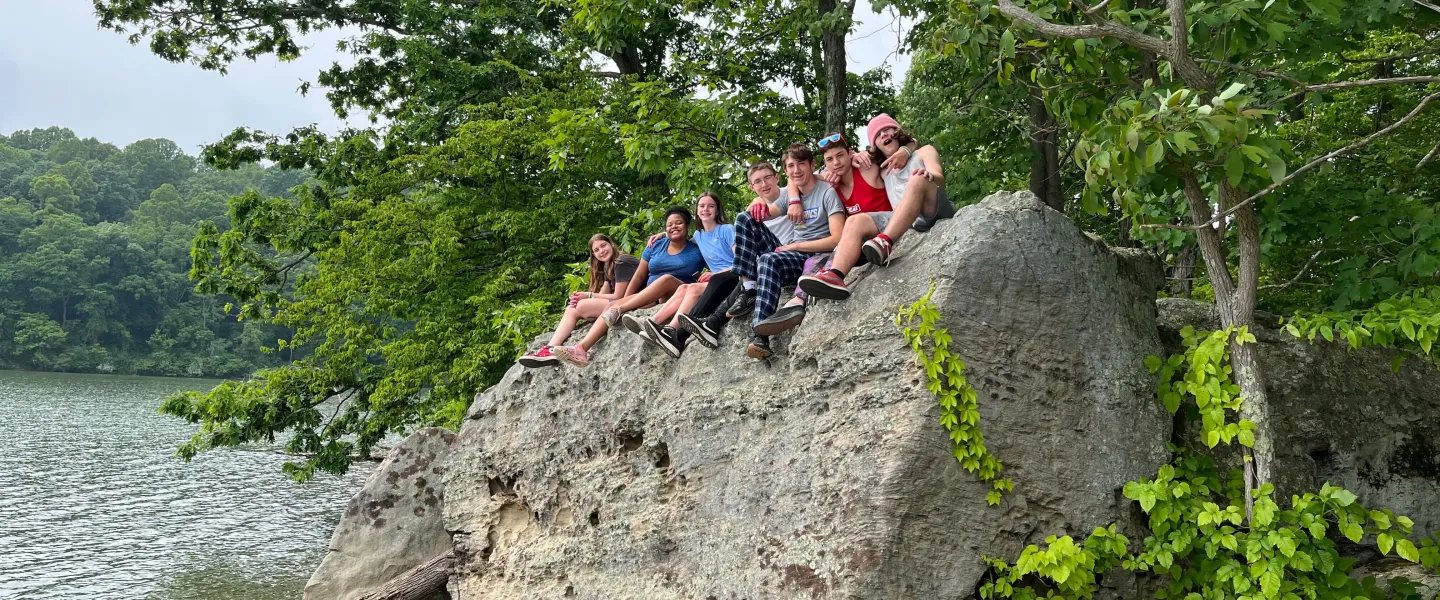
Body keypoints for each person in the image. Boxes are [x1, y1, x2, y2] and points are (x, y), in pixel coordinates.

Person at [797, 114, 956, 301]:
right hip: (903, 221)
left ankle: (885, 241)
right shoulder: (880, 166)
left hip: (932, 208)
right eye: (878, 135)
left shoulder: (924, 151)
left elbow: (939, 178)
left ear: (898, 131)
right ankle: (835, 276)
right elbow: (801, 179)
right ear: (875, 145)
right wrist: (792, 200)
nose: (884, 135)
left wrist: (926, 174)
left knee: (917, 179)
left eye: (887, 130)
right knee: (856, 220)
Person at [754, 132, 888, 335]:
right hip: (853, 242)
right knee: (764, 243)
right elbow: (796, 177)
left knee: (824, 253)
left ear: (850, 154)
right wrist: (765, 201)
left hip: (878, 229)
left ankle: (801, 298)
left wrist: (906, 148)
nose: (836, 163)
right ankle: (762, 320)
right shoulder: (829, 181)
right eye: (830, 159)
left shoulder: (865, 168)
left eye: (841, 156)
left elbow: (893, 148)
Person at [721, 143, 845, 359]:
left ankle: (758, 333)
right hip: (794, 256)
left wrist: (796, 245)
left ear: (812, 165)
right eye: (791, 166)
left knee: (769, 260)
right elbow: (766, 214)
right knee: (744, 217)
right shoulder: (790, 197)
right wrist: (758, 207)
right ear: (786, 171)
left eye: (801, 164)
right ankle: (749, 287)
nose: (796, 170)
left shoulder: (827, 193)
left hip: (815, 255)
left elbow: (837, 239)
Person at [551, 206, 706, 367]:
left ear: (687, 225)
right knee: (614, 304)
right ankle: (581, 349)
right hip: (652, 295)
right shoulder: (657, 244)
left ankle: (621, 309)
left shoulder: (697, 247)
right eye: (669, 224)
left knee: (666, 279)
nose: (674, 226)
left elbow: (714, 259)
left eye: (679, 223)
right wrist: (626, 299)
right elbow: (639, 275)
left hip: (677, 292)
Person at [674, 161, 790, 350]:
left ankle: (683, 333)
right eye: (757, 182)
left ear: (777, 177)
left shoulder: (789, 195)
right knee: (691, 287)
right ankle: (685, 330)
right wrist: (665, 235)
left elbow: (806, 180)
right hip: (765, 258)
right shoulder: (699, 235)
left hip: (784, 255)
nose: (764, 184)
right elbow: (686, 239)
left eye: (768, 178)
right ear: (751, 187)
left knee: (722, 278)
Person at [626, 191, 734, 358]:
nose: (706, 209)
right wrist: (663, 234)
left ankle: (670, 330)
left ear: (717, 210)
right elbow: (679, 237)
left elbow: (743, 260)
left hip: (732, 277)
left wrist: (715, 273)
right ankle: (652, 323)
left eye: (711, 206)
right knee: (684, 287)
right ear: (697, 211)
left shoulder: (727, 230)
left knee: (691, 289)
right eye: (702, 206)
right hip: (717, 280)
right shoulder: (699, 236)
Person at [519, 233, 640, 368]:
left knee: (582, 305)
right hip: (619, 302)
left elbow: (618, 296)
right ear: (593, 255)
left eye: (603, 245)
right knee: (572, 308)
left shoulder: (622, 261)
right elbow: (603, 294)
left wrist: (588, 297)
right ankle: (550, 348)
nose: (601, 251)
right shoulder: (609, 265)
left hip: (635, 301)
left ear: (611, 244)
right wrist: (584, 299)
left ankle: (573, 348)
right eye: (596, 250)